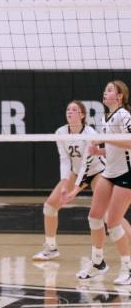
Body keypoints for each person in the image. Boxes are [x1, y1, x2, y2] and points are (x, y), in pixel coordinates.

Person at [32, 100, 107, 261]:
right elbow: (65, 160)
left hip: (97, 171)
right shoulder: (60, 132)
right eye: (68, 109)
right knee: (50, 207)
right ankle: (51, 248)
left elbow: (86, 164)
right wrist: (65, 185)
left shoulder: (90, 133)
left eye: (74, 109)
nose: (70, 112)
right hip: (75, 171)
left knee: (108, 214)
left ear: (82, 115)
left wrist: (75, 190)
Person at [72, 81, 131, 284]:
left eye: (109, 90)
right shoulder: (105, 117)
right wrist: (100, 150)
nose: (104, 93)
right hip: (110, 172)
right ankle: (98, 263)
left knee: (113, 223)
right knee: (95, 217)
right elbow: (116, 148)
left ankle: (128, 268)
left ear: (120, 96)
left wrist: (107, 138)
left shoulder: (124, 115)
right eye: (105, 89)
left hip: (127, 174)